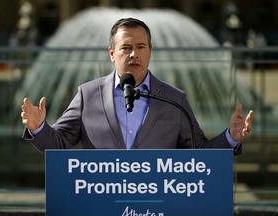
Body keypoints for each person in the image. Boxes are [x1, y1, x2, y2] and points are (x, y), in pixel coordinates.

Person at [21, 18, 254, 153]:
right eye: (126, 48)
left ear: (150, 52)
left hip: (155, 203)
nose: (134, 54)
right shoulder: (87, 94)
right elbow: (59, 143)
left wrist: (230, 138)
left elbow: (198, 152)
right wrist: (38, 128)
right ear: (112, 54)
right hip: (100, 202)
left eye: (141, 47)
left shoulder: (174, 99)